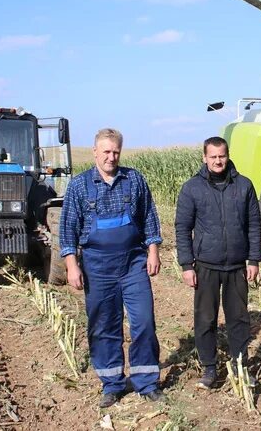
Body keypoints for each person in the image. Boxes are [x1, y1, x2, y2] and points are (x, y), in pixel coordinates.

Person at [60, 128, 165, 408]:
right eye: (106, 151)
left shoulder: (134, 180)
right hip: (97, 267)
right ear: (95, 152)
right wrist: (72, 266)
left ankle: (146, 381)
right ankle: (112, 383)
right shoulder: (79, 186)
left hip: (133, 263)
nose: (111, 157)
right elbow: (67, 230)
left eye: (116, 151)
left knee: (143, 322)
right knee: (105, 325)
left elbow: (149, 219)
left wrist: (153, 251)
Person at [175, 136, 261, 390]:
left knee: (238, 319)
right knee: (205, 320)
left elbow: (254, 225)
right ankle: (210, 369)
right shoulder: (192, 188)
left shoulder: (244, 186)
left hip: (236, 266)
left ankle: (239, 366)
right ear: (204, 157)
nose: (217, 161)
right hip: (206, 265)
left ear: (228, 155)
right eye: (212, 156)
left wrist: (253, 259)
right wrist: (186, 265)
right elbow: (182, 228)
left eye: (221, 156)